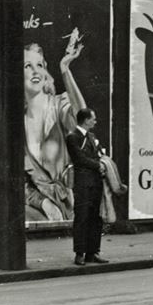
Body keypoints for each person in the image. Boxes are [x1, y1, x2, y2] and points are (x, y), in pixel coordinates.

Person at [23, 34, 86, 222]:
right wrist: (43, 203)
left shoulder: (59, 104)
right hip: (37, 204)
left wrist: (65, 69)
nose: (35, 71)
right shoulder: (15, 122)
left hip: (69, 201)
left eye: (39, 65)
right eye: (28, 66)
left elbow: (82, 118)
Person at [66, 108, 108, 265]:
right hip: (83, 183)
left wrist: (101, 163)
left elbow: (98, 154)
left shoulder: (91, 137)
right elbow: (79, 159)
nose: (95, 121)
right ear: (85, 120)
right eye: (93, 119)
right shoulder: (73, 137)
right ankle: (79, 253)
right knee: (82, 217)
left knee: (95, 218)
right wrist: (98, 165)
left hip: (95, 183)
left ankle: (93, 252)